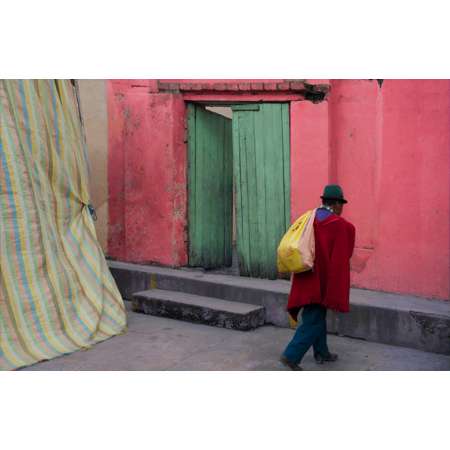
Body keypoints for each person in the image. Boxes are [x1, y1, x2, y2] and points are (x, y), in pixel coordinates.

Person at [280, 184, 356, 370]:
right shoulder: (341, 226)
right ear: (337, 204)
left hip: (305, 275)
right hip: (321, 281)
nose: (342, 209)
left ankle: (322, 352)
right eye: (341, 205)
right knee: (314, 319)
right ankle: (291, 355)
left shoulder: (308, 218)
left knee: (317, 315)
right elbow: (343, 256)